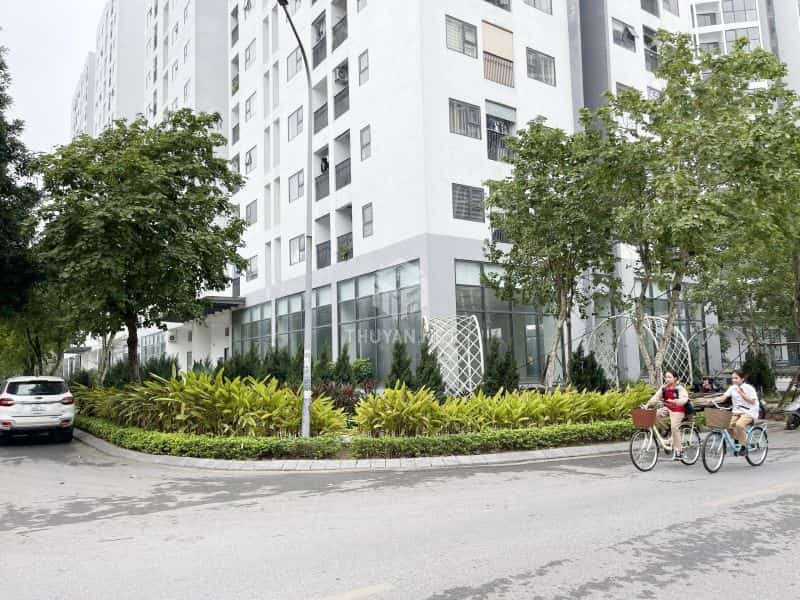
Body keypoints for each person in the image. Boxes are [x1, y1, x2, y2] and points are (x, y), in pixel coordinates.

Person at [646, 370, 689, 460]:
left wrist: (676, 401)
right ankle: (666, 428)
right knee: (654, 414)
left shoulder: (679, 388)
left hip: (678, 410)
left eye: (670, 377)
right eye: (666, 377)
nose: (667, 379)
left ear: (675, 378)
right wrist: (648, 405)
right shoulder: (664, 388)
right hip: (668, 408)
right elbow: (656, 397)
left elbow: (684, 399)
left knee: (674, 427)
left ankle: (679, 451)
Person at [721, 369, 759, 456]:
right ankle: (739, 439)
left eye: (736, 378)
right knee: (728, 426)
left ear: (742, 379)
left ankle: (744, 447)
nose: (734, 380)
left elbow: (753, 401)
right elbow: (723, 397)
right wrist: (710, 400)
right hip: (737, 412)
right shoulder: (732, 388)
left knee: (739, 425)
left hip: (749, 411)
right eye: (732, 378)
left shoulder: (749, 388)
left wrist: (742, 394)